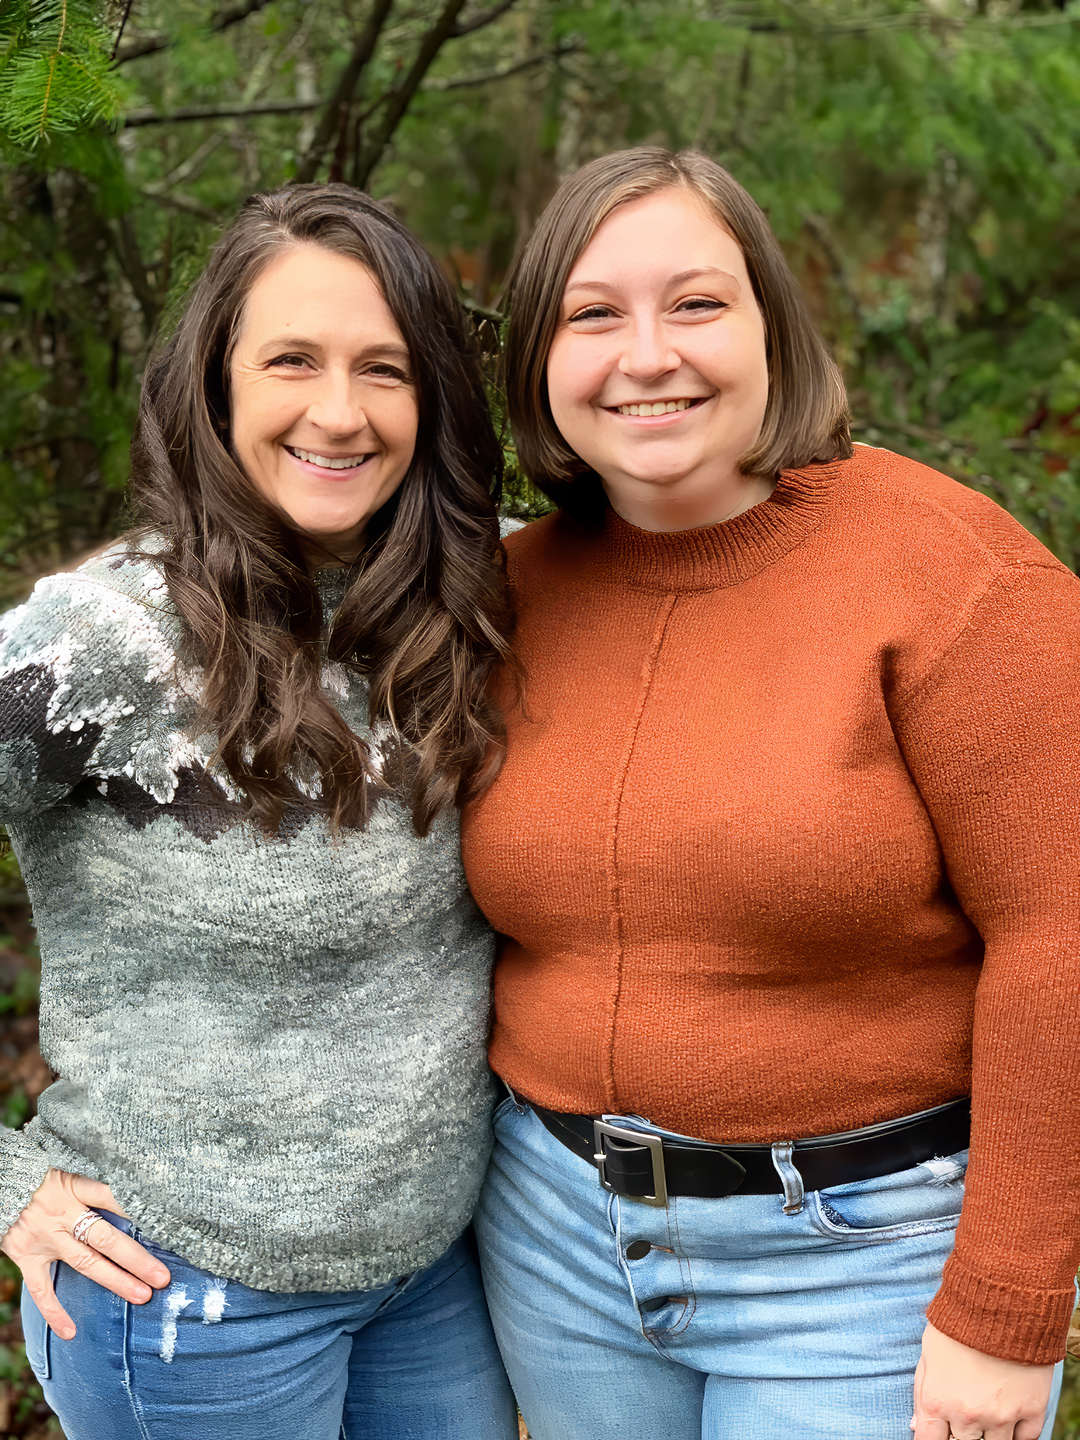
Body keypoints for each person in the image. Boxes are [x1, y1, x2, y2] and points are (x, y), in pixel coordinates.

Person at [460, 146, 1080, 1440]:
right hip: (557, 1242)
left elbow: (1061, 938)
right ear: (538, 362)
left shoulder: (958, 580)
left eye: (696, 303)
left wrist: (1009, 1306)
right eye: (592, 314)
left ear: (771, 329)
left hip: (863, 1261)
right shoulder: (502, 596)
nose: (646, 355)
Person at [0, 182, 519, 1440]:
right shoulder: (101, 643)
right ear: (215, 384)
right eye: (292, 359)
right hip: (188, 1295)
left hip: (431, 1277)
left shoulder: (470, 605)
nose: (339, 412)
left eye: (383, 368)